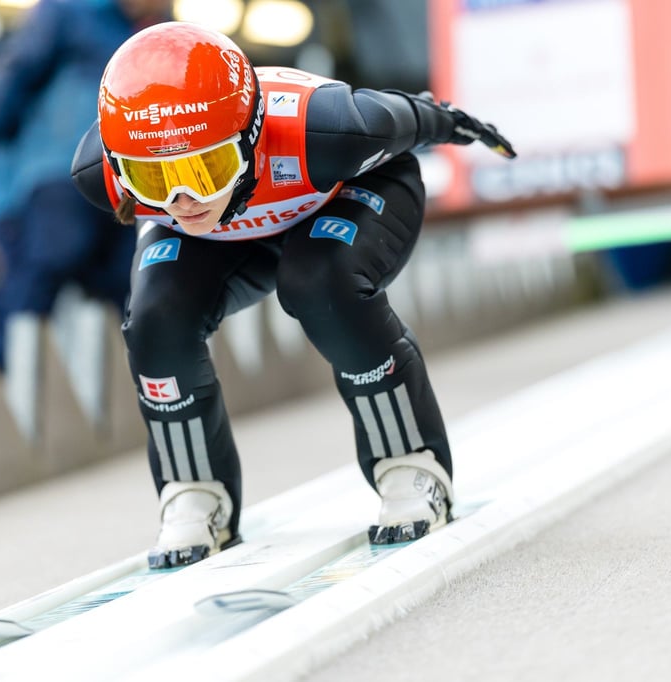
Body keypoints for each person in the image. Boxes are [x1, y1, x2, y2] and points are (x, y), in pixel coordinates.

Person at [71, 22, 516, 567]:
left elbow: (414, 114)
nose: (183, 197)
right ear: (121, 167)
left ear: (252, 133)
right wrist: (190, 185)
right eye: (154, 177)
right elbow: (176, 203)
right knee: (154, 319)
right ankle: (193, 491)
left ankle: (410, 463)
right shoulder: (103, 174)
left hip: (343, 194)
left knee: (320, 283)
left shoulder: (330, 129)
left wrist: (456, 123)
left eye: (203, 166)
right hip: (228, 232)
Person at [0, 0, 171, 370]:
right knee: (40, 274)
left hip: (134, 184)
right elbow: (17, 72)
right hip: (66, 171)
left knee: (136, 285)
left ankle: (148, 396)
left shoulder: (163, 31)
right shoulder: (69, 11)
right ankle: (3, 385)